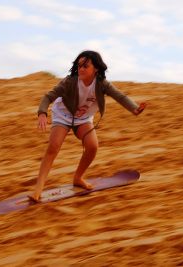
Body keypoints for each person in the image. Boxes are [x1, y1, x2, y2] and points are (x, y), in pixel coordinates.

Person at [30, 50, 146, 202]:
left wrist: (134, 109)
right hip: (63, 115)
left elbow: (119, 96)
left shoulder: (102, 84)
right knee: (54, 146)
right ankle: (39, 187)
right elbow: (48, 96)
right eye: (79, 66)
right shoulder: (70, 81)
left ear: (96, 68)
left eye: (86, 66)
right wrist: (42, 113)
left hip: (83, 118)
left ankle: (78, 178)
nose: (81, 68)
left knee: (92, 146)